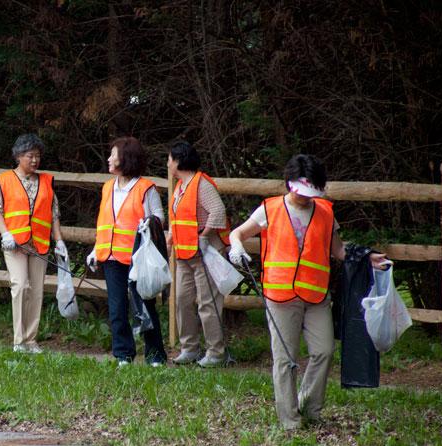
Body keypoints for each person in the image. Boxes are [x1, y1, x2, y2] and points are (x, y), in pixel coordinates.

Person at [228, 154, 389, 429]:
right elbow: (237, 234)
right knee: (285, 359)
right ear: (289, 184)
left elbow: (339, 250)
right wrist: (237, 247)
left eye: (310, 192)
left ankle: (309, 407)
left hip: (315, 296)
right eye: (301, 191)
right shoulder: (270, 208)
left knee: (324, 350)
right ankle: (289, 420)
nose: (304, 198)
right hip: (280, 296)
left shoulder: (326, 212)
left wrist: (366, 257)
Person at [86, 137, 166, 367]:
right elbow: (104, 221)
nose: (109, 159)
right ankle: (123, 355)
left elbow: (159, 216)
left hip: (139, 256)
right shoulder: (107, 187)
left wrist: (148, 222)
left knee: (145, 305)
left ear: (126, 158)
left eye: (113, 154)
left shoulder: (146, 187)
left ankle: (155, 357)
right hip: (111, 256)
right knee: (117, 308)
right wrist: (95, 250)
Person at [0, 134, 67, 353]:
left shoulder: (46, 181)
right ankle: (18, 340)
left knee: (37, 292)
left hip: (40, 243)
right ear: (18, 157)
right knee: (20, 286)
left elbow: (54, 213)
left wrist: (59, 240)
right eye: (30, 156)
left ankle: (31, 340)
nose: (34, 160)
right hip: (14, 244)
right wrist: (5, 233)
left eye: (38, 156)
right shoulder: (5, 180)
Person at [166, 142, 232, 368]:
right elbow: (179, 219)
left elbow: (218, 211)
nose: (167, 163)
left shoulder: (201, 183)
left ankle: (216, 352)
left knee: (208, 303)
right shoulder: (180, 186)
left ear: (178, 161)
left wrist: (204, 236)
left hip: (205, 252)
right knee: (182, 301)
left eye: (169, 159)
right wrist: (169, 241)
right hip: (184, 253)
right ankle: (189, 349)